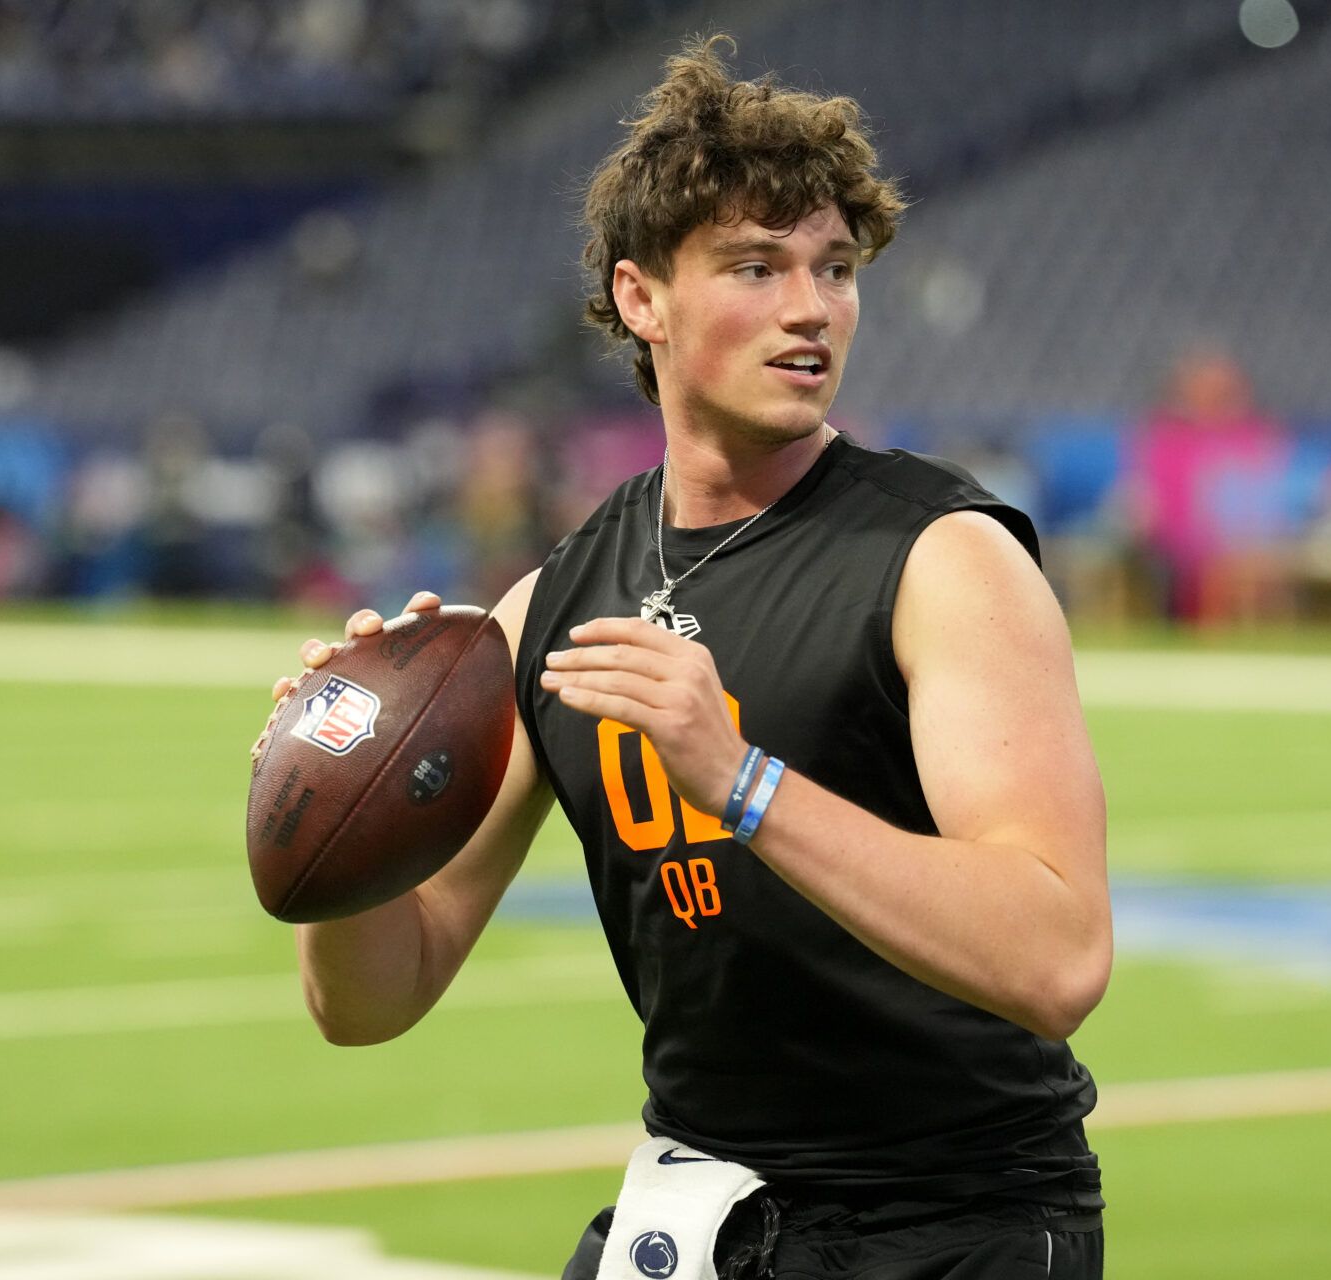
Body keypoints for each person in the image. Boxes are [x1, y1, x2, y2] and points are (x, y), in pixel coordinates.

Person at [258, 36, 1111, 1278]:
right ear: (642, 297)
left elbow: (1058, 954)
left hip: (945, 1220)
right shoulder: (553, 603)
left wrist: (743, 780)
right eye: (756, 267)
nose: (811, 308)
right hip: (701, 1206)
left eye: (835, 268)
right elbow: (373, 999)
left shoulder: (945, 559)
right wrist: (339, 811)